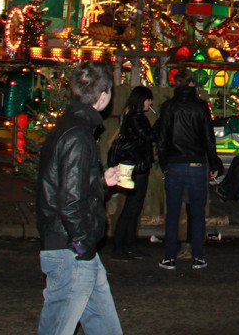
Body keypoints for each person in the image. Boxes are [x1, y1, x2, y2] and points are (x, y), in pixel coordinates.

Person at [36, 62, 121, 335]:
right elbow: (70, 202)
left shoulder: (68, 127)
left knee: (106, 327)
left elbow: (67, 184)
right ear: (103, 96)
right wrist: (83, 245)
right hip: (72, 250)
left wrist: (99, 182)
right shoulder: (78, 135)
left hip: (75, 248)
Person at [154, 69, 222, 270]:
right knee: (197, 211)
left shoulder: (168, 107)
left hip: (175, 162)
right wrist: (214, 162)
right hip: (197, 163)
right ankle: (198, 256)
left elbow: (162, 139)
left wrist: (164, 162)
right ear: (192, 83)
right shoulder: (201, 107)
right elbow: (209, 139)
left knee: (173, 212)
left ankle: (169, 256)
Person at [110, 86, 155, 261]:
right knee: (132, 208)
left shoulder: (130, 116)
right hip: (137, 166)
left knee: (132, 208)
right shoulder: (136, 118)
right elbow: (148, 136)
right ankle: (122, 246)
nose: (150, 103)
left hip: (134, 165)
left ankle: (127, 245)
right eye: (147, 99)